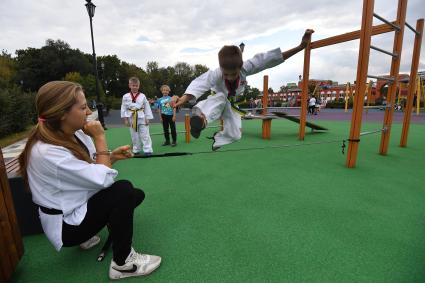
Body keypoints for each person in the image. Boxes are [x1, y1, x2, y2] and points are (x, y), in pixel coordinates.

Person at [18, 81, 161, 280]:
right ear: (62, 114)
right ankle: (123, 263)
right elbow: (103, 180)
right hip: (66, 228)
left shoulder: (72, 132)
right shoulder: (47, 152)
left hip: (73, 207)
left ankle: (91, 234)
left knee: (135, 195)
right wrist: (100, 138)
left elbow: (90, 168)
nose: (89, 112)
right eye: (83, 107)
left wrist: (112, 157)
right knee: (124, 191)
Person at [172, 29, 314, 150]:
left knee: (236, 135)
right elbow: (199, 84)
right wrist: (183, 98)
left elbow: (270, 60)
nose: (230, 77)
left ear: (240, 68)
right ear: (221, 68)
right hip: (217, 100)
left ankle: (218, 139)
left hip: (233, 104)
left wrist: (301, 46)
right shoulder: (216, 73)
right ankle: (201, 119)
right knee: (220, 98)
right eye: (226, 74)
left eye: (233, 74)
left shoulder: (246, 67)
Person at [121, 77, 153, 156]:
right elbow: (123, 107)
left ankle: (147, 150)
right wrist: (125, 119)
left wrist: (147, 118)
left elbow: (147, 107)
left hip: (142, 117)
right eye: (133, 85)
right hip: (131, 117)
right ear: (129, 85)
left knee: (145, 134)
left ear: (139, 86)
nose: (135, 87)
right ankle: (136, 150)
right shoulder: (125, 96)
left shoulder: (142, 96)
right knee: (134, 135)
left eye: (136, 85)